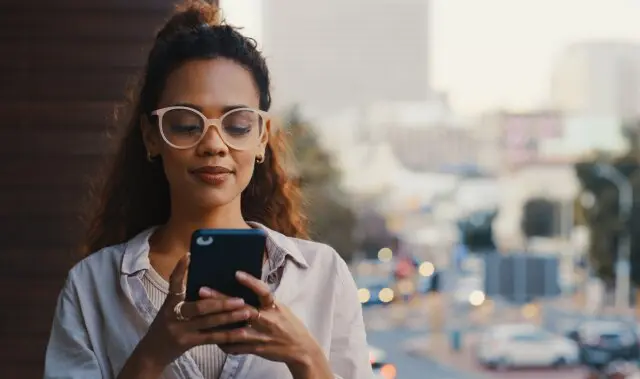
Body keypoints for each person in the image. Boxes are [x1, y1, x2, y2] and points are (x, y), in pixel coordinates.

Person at [43, 1, 372, 378]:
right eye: (186, 124)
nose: (214, 144)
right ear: (153, 137)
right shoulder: (92, 286)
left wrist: (307, 358)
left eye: (237, 124)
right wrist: (152, 354)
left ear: (262, 139)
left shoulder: (323, 275)